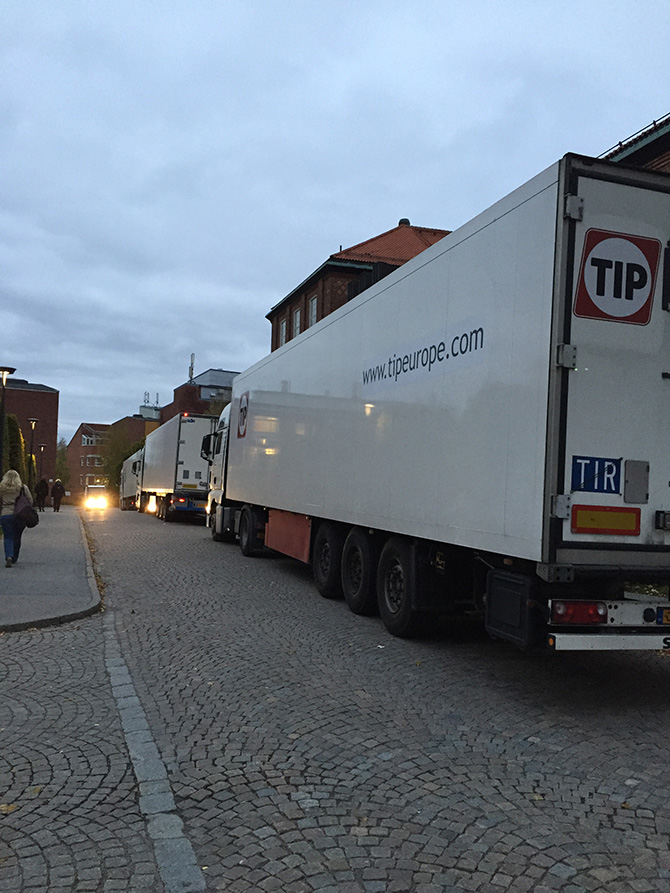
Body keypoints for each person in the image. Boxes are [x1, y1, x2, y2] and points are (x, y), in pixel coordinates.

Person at [0, 469, 33, 567]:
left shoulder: (2, 488)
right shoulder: (22, 488)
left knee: (8, 536)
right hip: (19, 515)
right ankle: (14, 556)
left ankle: (9, 556)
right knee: (17, 536)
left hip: (5, 514)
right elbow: (30, 501)